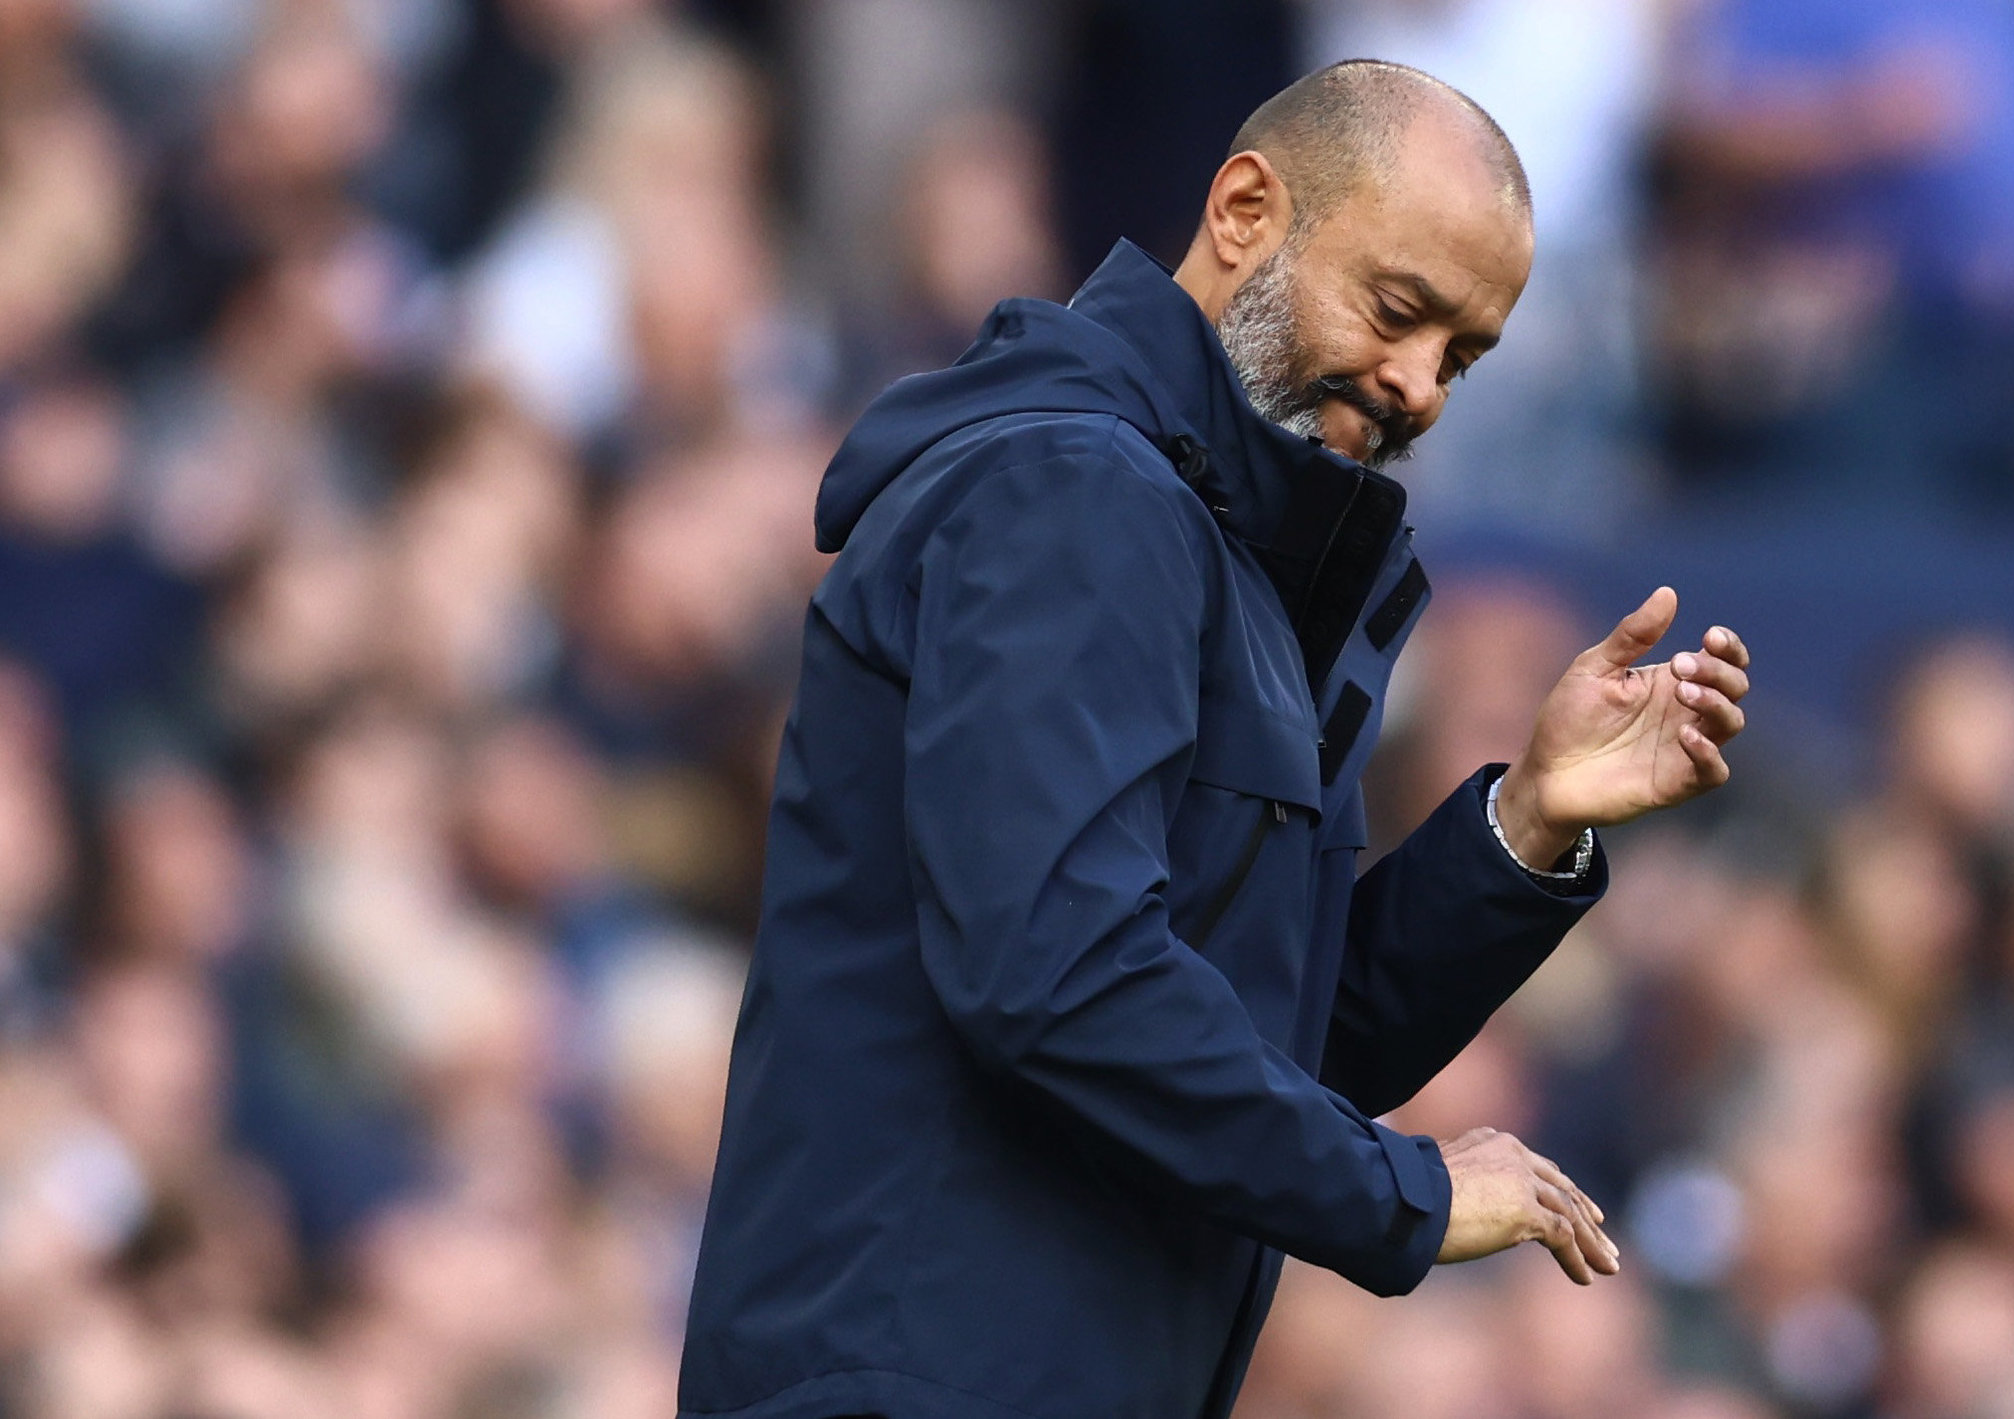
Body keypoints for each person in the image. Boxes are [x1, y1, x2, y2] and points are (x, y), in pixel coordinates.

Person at [676, 60, 1752, 1419]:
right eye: (1398, 310)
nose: (1420, 386)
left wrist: (1523, 824)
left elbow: (1261, 1036)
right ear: (1245, 210)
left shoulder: (1209, 547)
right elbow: (1059, 973)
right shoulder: (1073, 490)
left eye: (1462, 355)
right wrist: (1403, 1192)